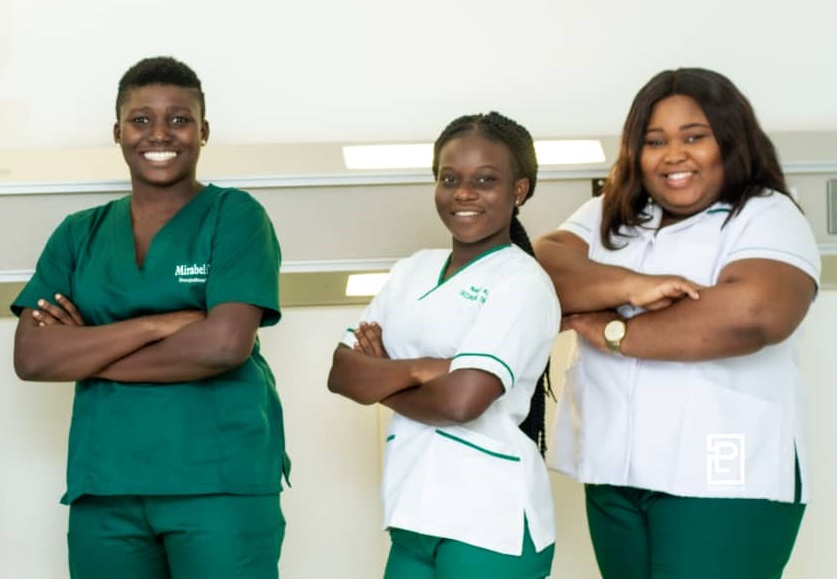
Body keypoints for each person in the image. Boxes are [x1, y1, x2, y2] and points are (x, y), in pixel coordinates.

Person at [535, 67, 821, 579]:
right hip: (614, 474)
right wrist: (631, 286)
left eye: (695, 137)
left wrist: (614, 329)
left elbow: (753, 314)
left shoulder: (765, 214)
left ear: (730, 143)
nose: (673, 155)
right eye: (654, 141)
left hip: (722, 478)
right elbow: (541, 271)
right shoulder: (613, 215)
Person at [11, 56, 288, 579]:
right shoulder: (79, 234)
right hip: (106, 488)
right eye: (141, 119)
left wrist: (89, 350)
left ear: (203, 131)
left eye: (179, 119)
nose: (159, 133)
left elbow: (224, 345)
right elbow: (32, 355)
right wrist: (155, 325)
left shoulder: (236, 217)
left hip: (218, 484)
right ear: (118, 131)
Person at [328, 111, 560, 578]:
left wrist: (385, 376)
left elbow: (462, 401)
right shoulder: (411, 270)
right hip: (413, 515)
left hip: (489, 524)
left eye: (486, 179)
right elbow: (342, 373)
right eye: (449, 178)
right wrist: (425, 369)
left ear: (519, 190)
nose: (465, 193)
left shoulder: (522, 282)